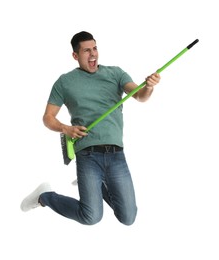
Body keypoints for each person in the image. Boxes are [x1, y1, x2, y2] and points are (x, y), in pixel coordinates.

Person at [20, 31, 161, 225]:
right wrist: (65, 128)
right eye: (87, 50)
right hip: (88, 155)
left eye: (95, 48)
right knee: (91, 216)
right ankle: (45, 196)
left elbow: (140, 96)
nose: (93, 53)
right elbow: (48, 118)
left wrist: (149, 87)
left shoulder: (116, 73)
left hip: (116, 154)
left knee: (128, 218)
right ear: (75, 56)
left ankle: (96, 187)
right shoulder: (65, 82)